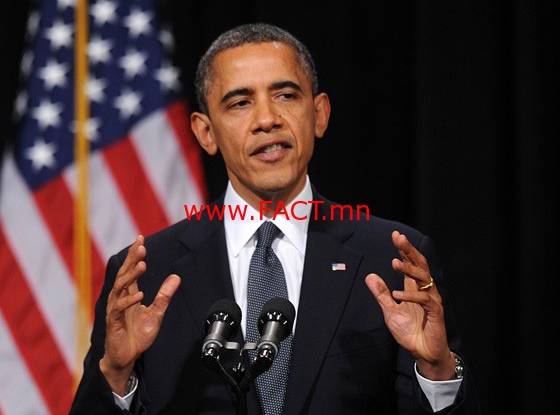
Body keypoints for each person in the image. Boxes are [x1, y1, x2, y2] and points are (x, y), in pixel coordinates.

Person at [71, 23, 481, 414]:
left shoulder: (392, 261)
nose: (267, 119)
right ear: (206, 132)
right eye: (240, 103)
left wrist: (436, 371)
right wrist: (116, 374)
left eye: (285, 95)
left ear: (319, 114)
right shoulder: (148, 275)